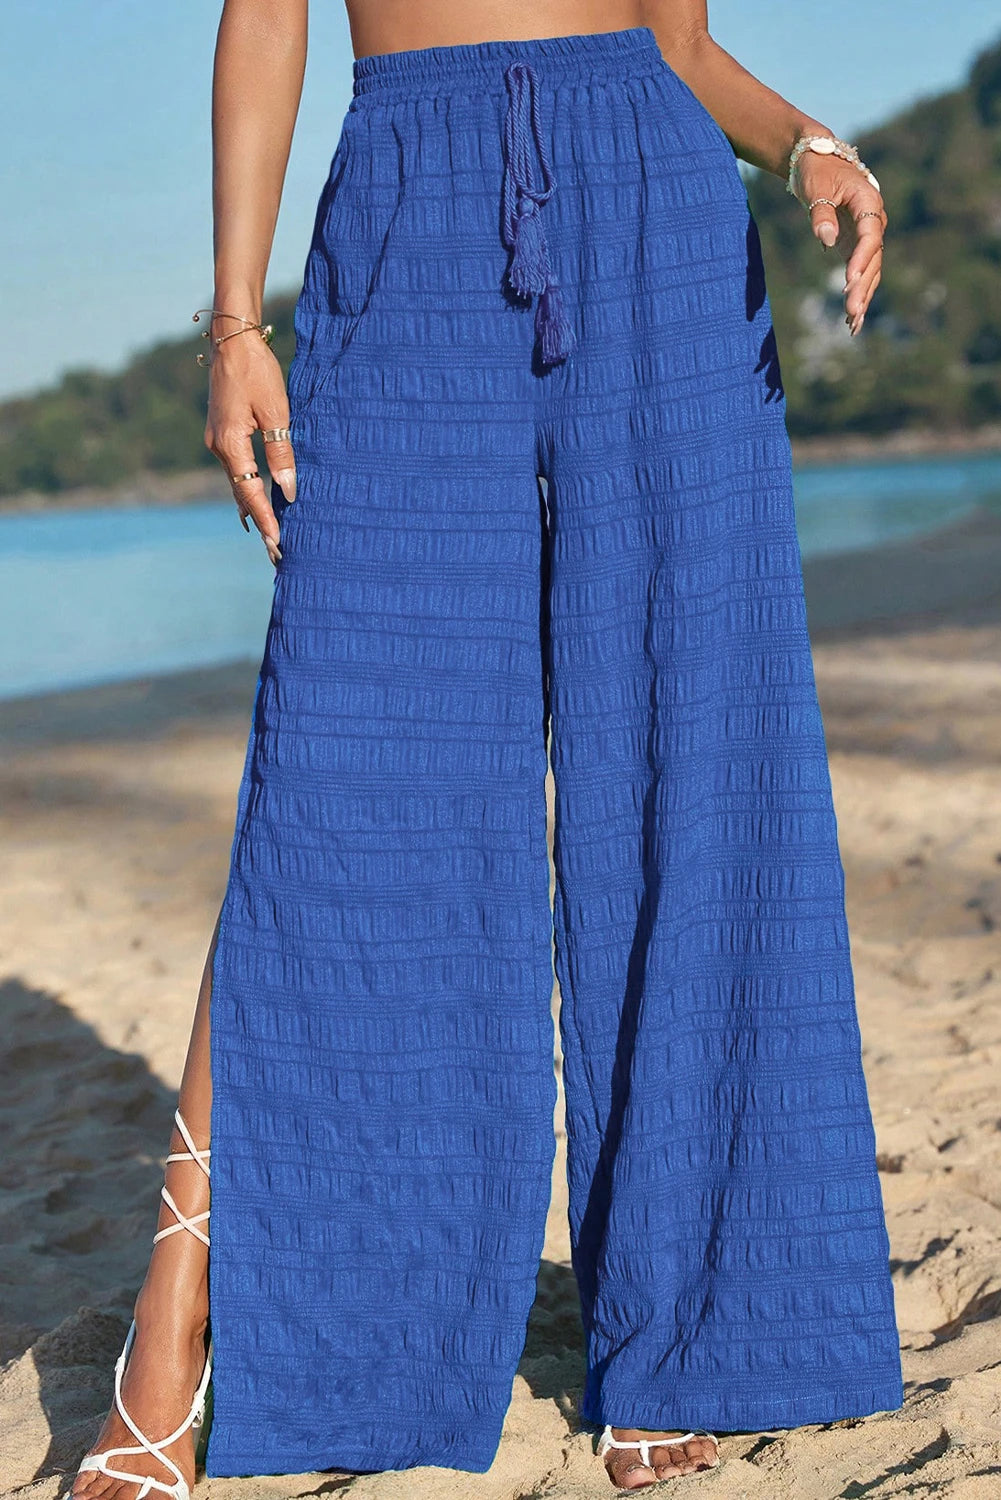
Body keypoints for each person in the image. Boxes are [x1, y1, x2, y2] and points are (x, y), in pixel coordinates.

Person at [70, 2, 903, 1496]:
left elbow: (677, 42)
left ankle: (679, 1335)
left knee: (693, 759)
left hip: (658, 219)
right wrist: (237, 325)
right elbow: (266, 14)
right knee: (341, 779)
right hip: (410, 206)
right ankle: (178, 1310)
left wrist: (807, 149)